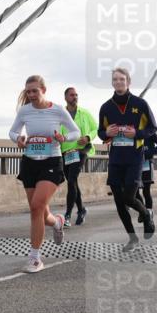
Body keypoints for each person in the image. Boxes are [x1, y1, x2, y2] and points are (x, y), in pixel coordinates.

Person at [8, 75, 80, 273]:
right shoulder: (25, 111)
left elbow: (76, 132)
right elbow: (13, 132)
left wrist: (62, 137)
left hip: (52, 161)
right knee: (39, 210)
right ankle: (57, 222)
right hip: (30, 162)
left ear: (43, 90)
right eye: (28, 91)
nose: (31, 95)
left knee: (36, 206)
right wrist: (19, 139)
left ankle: (35, 258)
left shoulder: (57, 109)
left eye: (35, 91)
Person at [97, 67, 157, 251]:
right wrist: (106, 133)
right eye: (115, 79)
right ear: (112, 82)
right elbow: (101, 132)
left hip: (134, 157)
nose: (118, 82)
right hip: (115, 159)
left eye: (122, 79)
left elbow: (152, 128)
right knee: (118, 201)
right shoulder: (106, 107)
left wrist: (137, 133)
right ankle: (132, 238)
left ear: (128, 82)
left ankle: (146, 214)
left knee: (129, 197)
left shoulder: (140, 104)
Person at [59, 87, 98, 226]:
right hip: (65, 153)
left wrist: (88, 137)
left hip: (81, 151)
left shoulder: (85, 113)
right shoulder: (61, 114)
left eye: (76, 95)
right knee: (72, 182)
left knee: (71, 180)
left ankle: (68, 215)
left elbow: (96, 128)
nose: (74, 97)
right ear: (65, 98)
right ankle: (81, 210)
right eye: (71, 95)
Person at [136, 133, 157, 223]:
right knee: (134, 192)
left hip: (146, 165)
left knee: (146, 191)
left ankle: (149, 213)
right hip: (134, 165)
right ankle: (142, 211)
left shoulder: (150, 132)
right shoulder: (133, 129)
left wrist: (148, 153)